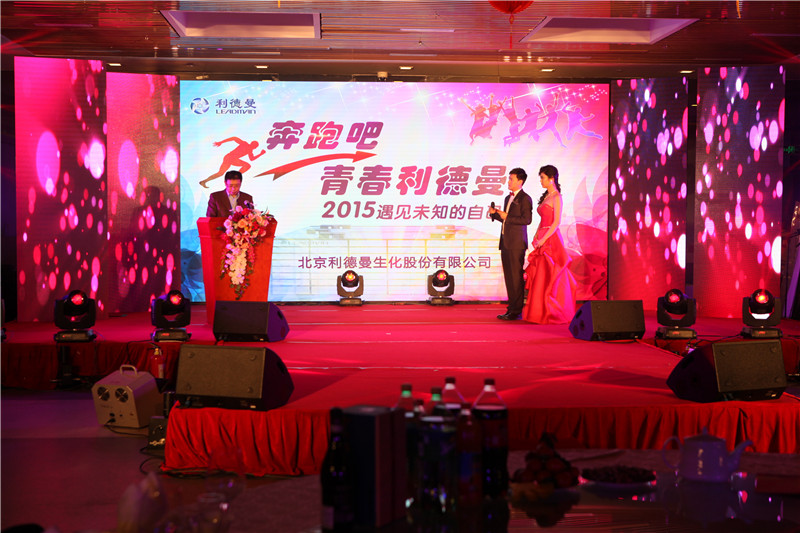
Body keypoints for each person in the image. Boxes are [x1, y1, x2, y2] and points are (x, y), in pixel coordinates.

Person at [522, 165, 577, 324]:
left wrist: (544, 239)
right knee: (541, 275)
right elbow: (543, 221)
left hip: (551, 240)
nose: (541, 180)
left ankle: (551, 312)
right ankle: (538, 311)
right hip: (542, 237)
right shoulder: (547, 195)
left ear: (551, 179)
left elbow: (556, 222)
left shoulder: (556, 197)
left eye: (543, 177)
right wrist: (536, 235)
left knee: (550, 273)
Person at [489, 168, 533, 320]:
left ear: (520, 181)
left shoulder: (525, 198)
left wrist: (507, 216)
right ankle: (511, 308)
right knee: (509, 278)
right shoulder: (508, 198)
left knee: (516, 278)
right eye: (509, 179)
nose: (508, 181)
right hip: (506, 242)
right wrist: (495, 214)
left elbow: (526, 220)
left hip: (516, 244)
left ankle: (516, 310)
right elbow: (506, 220)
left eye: (511, 179)